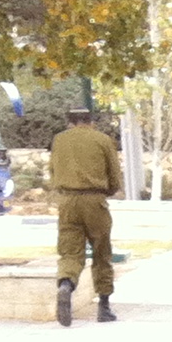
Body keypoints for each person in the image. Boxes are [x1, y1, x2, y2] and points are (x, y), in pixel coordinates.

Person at [49, 107, 123, 326]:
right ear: (91, 121)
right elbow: (114, 176)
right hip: (94, 200)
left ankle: (66, 283)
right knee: (101, 251)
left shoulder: (59, 140)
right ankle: (104, 306)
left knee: (70, 251)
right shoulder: (102, 140)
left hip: (67, 201)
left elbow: (53, 171)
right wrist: (106, 191)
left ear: (70, 121)